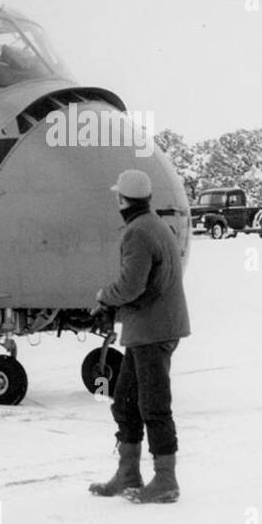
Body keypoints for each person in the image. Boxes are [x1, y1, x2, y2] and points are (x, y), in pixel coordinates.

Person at [89, 169, 191, 504]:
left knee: (153, 405)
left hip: (152, 330)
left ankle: (166, 480)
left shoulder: (138, 232)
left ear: (122, 199)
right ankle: (128, 473)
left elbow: (132, 285)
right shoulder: (155, 224)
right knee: (126, 401)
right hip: (150, 328)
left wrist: (105, 296)